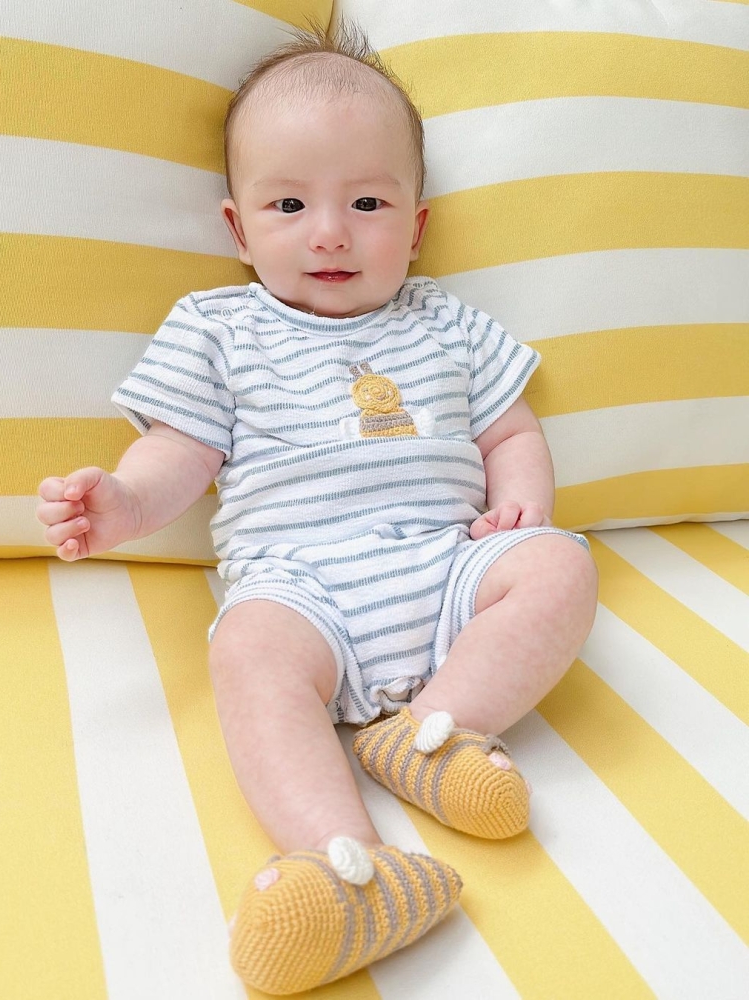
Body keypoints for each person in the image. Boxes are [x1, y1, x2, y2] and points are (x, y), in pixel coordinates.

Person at [37, 21, 598, 995]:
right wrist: (122, 501)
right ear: (238, 228)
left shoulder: (449, 322)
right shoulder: (218, 328)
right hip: (304, 594)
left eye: (367, 202)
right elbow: (178, 451)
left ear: (415, 227)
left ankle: (434, 734)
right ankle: (347, 866)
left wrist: (520, 508)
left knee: (561, 566)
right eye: (289, 204)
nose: (330, 232)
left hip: (448, 569)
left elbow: (510, 432)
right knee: (245, 649)